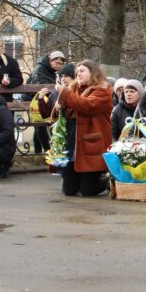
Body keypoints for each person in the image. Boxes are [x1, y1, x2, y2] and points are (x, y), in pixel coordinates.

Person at [57, 60, 114, 196]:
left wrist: (63, 93)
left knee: (88, 191)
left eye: (82, 71)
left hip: (90, 144)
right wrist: (58, 105)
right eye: (77, 71)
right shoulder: (72, 88)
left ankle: (110, 181)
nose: (78, 73)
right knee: (69, 191)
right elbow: (58, 113)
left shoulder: (103, 90)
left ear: (93, 73)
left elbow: (87, 106)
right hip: (71, 142)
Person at [28, 50, 66, 154]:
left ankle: (38, 151)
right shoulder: (40, 69)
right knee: (41, 123)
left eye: (61, 64)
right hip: (32, 100)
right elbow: (41, 84)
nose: (58, 66)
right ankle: (46, 150)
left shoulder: (51, 71)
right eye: (56, 63)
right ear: (50, 61)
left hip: (42, 99)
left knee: (39, 125)